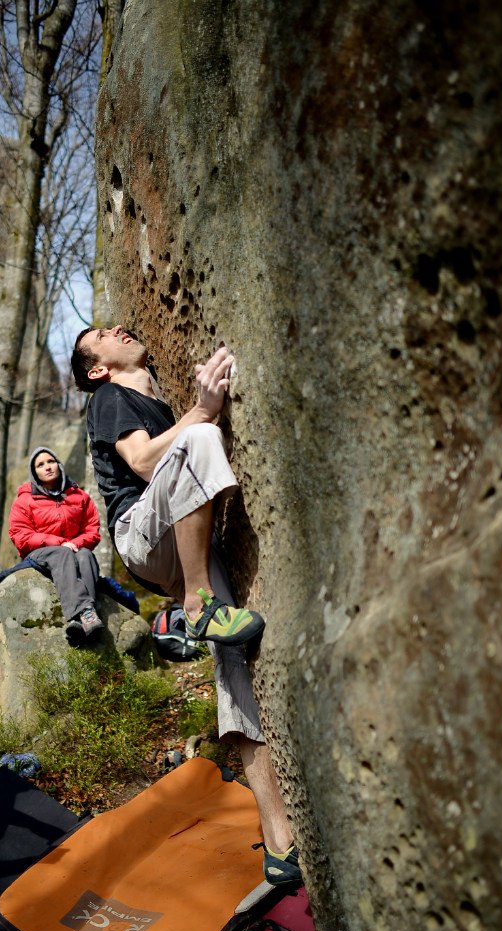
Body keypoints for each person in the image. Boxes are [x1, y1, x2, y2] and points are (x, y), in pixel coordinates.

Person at [70, 325, 301, 887]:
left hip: (180, 537)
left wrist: (201, 406)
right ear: (97, 368)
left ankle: (279, 842)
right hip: (140, 533)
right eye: (103, 334)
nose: (119, 328)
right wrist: (203, 412)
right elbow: (148, 461)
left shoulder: (156, 400)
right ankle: (195, 610)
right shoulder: (108, 398)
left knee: (235, 672)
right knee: (198, 442)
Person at [8, 446, 104, 643]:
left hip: (74, 550)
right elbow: (20, 535)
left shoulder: (80, 496)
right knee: (63, 554)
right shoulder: (25, 500)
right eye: (40, 465)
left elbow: (92, 530)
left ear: (58, 464)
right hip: (40, 554)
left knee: (86, 555)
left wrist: (75, 543)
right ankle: (84, 612)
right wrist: (60, 543)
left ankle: (81, 622)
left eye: (50, 462)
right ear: (34, 472)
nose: (47, 467)